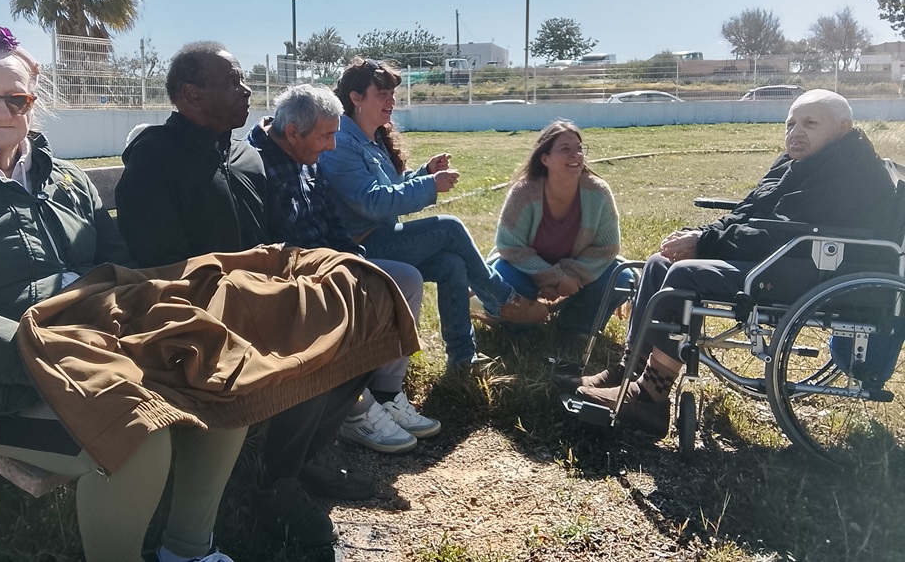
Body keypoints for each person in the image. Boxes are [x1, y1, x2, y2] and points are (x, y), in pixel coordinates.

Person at [0, 26, 246, 562]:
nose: (1, 109)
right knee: (138, 434)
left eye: (16, 98)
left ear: (32, 102)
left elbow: (123, 264)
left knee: (225, 387)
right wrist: (38, 349)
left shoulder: (64, 179)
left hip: (99, 354)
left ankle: (188, 551)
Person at [115, 43, 374, 551]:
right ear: (191, 94)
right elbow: (161, 265)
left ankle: (293, 466)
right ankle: (273, 484)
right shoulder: (155, 159)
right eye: (233, 81)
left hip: (256, 296)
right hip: (190, 313)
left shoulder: (244, 155)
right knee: (304, 347)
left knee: (360, 321)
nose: (248, 89)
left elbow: (274, 240)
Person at [572, 89, 898, 438]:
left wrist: (704, 243)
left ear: (843, 127)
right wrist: (702, 235)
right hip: (779, 258)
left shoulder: (849, 172)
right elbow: (748, 213)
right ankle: (630, 370)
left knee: (683, 275)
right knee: (659, 263)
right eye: (790, 124)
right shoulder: (794, 163)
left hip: (810, 271)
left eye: (810, 123)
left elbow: (781, 234)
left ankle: (650, 396)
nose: (796, 132)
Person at [317, 57, 548, 373]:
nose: (392, 100)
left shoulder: (369, 137)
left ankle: (463, 359)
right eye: (381, 93)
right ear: (355, 98)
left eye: (392, 93)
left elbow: (389, 187)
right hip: (358, 249)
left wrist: (424, 173)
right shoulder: (342, 142)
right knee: (449, 228)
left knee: (452, 265)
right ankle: (502, 300)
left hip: (380, 239)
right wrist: (430, 185)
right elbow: (371, 201)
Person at [246, 84, 440, 455]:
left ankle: (386, 390)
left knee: (405, 280)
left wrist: (354, 258)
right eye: (327, 135)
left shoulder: (307, 157)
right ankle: (356, 407)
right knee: (345, 298)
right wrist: (336, 271)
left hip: (331, 263)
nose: (333, 145)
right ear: (292, 133)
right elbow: (271, 247)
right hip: (294, 280)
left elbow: (332, 221)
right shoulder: (256, 164)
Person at [490, 120, 633, 334]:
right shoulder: (523, 193)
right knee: (500, 277)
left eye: (579, 149)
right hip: (525, 272)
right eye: (565, 149)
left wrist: (569, 276)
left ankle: (575, 325)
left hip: (577, 276)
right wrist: (553, 278)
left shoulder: (598, 193)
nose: (575, 155)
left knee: (622, 277)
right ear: (545, 158)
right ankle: (521, 323)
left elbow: (608, 248)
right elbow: (509, 247)